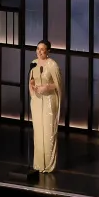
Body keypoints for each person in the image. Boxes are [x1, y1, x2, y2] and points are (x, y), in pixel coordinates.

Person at [28, 40, 63, 173]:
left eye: (43, 49)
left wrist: (47, 87)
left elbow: (58, 85)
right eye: (38, 49)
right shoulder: (34, 63)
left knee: (48, 132)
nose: (39, 51)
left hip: (49, 100)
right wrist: (33, 87)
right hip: (37, 100)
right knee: (38, 132)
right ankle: (38, 164)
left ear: (48, 51)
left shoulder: (52, 65)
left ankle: (48, 165)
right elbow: (31, 79)